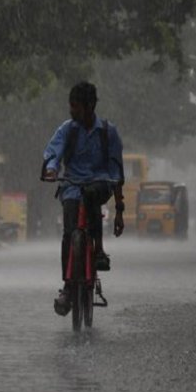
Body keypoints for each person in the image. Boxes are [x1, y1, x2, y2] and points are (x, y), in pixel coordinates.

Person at [42, 81, 125, 316]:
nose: (72, 112)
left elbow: (117, 173)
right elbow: (53, 153)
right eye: (71, 107)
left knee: (91, 196)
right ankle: (68, 286)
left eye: (76, 107)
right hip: (71, 186)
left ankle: (98, 250)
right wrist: (51, 169)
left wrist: (119, 210)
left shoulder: (109, 133)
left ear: (90, 106)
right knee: (69, 232)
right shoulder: (67, 130)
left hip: (100, 184)